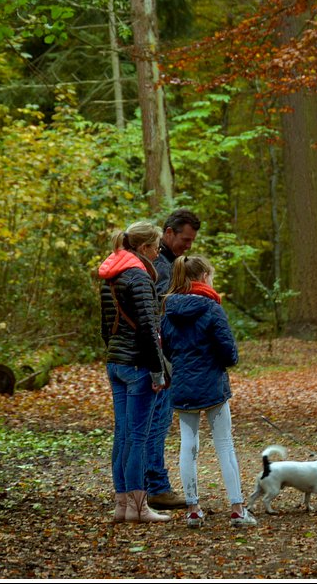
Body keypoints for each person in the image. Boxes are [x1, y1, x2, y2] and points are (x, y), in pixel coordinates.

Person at [161, 254, 256, 528]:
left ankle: (193, 509)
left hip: (183, 385)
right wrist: (227, 362)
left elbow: (166, 349)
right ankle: (237, 509)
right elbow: (227, 349)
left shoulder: (168, 311)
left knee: (188, 445)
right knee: (224, 444)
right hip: (213, 384)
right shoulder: (212, 308)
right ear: (203, 278)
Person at [98, 221, 171, 524]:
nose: (157, 254)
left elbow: (106, 326)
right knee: (138, 437)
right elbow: (147, 329)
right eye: (155, 248)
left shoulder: (110, 275)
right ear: (143, 248)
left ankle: (122, 505)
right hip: (138, 365)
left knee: (123, 435)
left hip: (116, 362)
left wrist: (115, 354)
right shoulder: (139, 277)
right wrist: (158, 371)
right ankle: (139, 507)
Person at [143, 208, 201, 510]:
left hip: (146, 355)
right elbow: (163, 315)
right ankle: (157, 487)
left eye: (192, 241)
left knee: (143, 424)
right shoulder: (162, 266)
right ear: (168, 233)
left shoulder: (155, 262)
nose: (188, 246)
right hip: (158, 357)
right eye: (184, 239)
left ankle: (140, 487)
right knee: (156, 422)